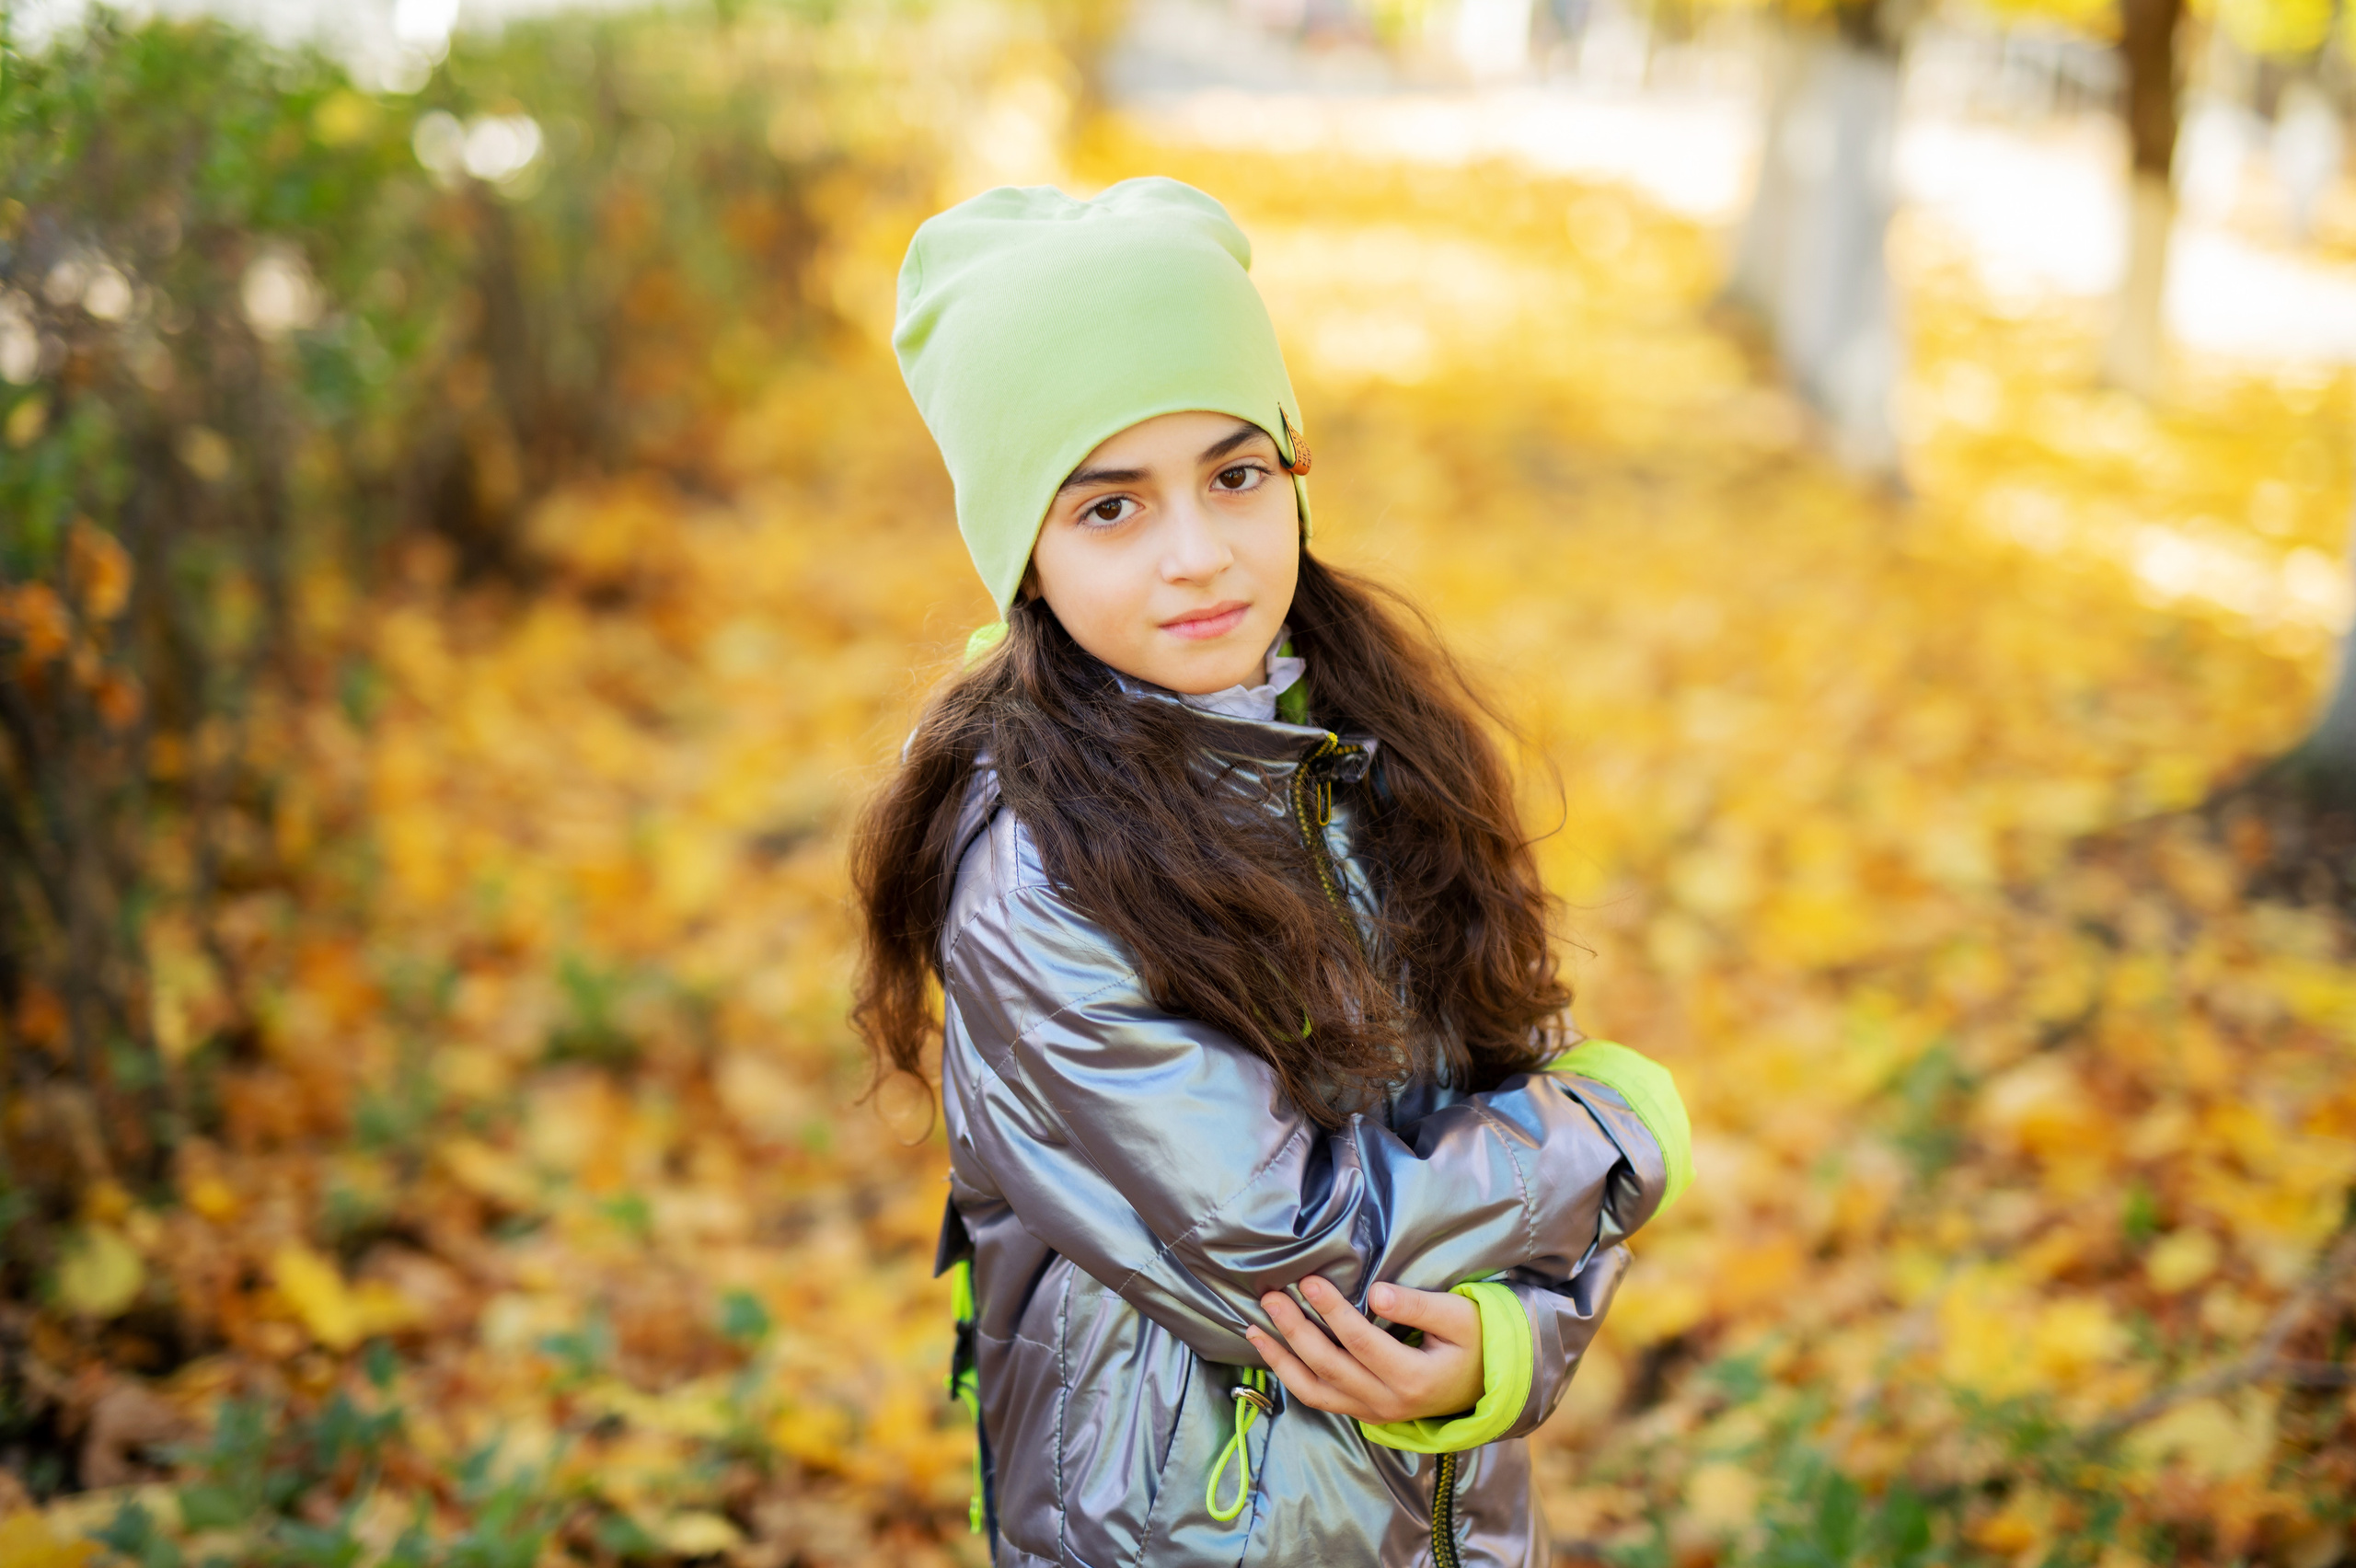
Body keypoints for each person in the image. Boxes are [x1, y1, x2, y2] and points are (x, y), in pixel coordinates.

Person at [852, 177, 1692, 1568]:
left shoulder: (1376, 750)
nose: (1200, 556)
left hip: (1436, 1511)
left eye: (1235, 476)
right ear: (1026, 555)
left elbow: (1508, 1114)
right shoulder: (1037, 867)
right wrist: (1618, 1138)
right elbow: (1292, 1245)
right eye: (1111, 509)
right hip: (1187, 1526)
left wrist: (1496, 1348)